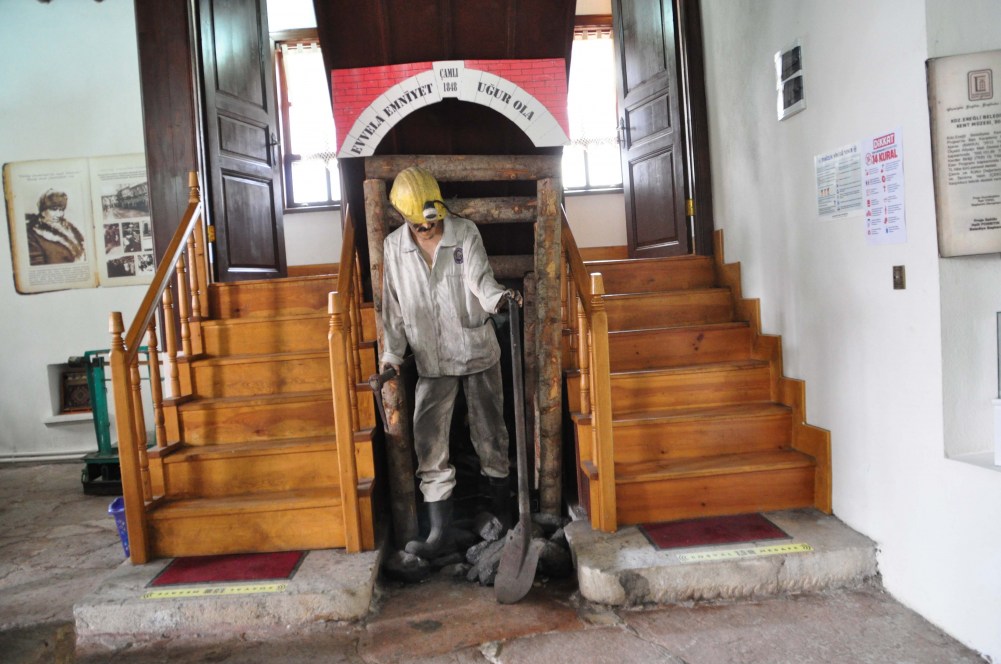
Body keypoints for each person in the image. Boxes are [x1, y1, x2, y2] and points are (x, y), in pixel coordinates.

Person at [380, 166, 520, 558]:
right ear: (404, 217)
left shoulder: (464, 232)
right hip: (431, 359)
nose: (428, 228)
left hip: (476, 350)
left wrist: (498, 299)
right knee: (428, 441)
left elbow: (480, 279)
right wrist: (391, 355)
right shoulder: (393, 247)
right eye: (419, 224)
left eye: (432, 221)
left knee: (491, 434)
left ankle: (503, 515)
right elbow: (392, 307)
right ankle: (439, 532)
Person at [26, 189, 86, 265]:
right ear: (43, 211)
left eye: (61, 210)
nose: (59, 214)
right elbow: (36, 264)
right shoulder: (33, 234)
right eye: (54, 209)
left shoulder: (70, 228)